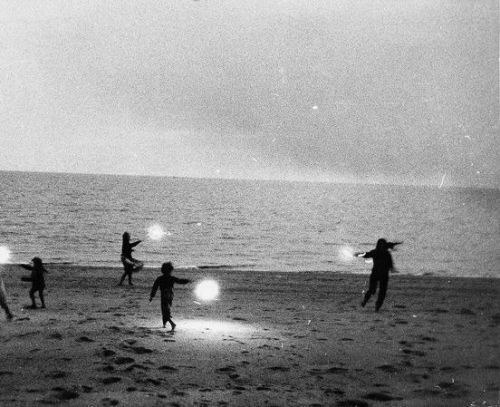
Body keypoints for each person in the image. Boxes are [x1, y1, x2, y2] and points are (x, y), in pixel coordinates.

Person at [355, 239, 402, 311]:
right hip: (376, 274)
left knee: (382, 292)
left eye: (382, 245)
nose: (381, 246)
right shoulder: (377, 252)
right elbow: (366, 254)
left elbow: (390, 264)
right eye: (381, 245)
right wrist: (359, 254)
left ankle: (377, 306)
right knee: (372, 290)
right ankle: (365, 301)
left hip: (383, 275)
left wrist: (392, 268)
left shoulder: (385, 254)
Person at [149, 262, 191, 331]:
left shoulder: (160, 278)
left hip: (164, 295)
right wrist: (187, 281)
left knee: (164, 310)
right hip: (170, 295)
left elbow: (155, 287)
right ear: (170, 270)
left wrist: (152, 296)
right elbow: (180, 281)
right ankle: (164, 324)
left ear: (162, 270)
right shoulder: (171, 278)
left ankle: (172, 324)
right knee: (166, 309)